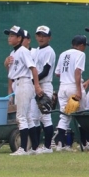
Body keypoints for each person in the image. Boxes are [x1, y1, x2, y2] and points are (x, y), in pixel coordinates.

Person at [4, 25, 43, 156]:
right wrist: (6, 64)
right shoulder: (13, 53)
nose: (9, 38)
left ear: (19, 38)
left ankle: (23, 149)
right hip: (18, 83)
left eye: (12, 35)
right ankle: (35, 148)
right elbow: (11, 73)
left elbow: (33, 69)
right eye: (9, 35)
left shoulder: (23, 51)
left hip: (24, 83)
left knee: (21, 117)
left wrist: (37, 86)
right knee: (28, 117)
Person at [53, 35, 89, 151]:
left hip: (63, 87)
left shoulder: (63, 54)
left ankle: (60, 144)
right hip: (74, 87)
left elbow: (57, 73)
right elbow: (77, 72)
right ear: (81, 45)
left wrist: (66, 74)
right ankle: (84, 143)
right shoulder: (80, 54)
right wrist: (78, 90)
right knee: (82, 115)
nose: (85, 48)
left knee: (64, 116)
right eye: (85, 46)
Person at [29, 25, 56, 153]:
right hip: (36, 85)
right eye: (39, 35)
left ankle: (47, 147)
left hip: (45, 85)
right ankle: (35, 147)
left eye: (44, 36)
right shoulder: (36, 51)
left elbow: (45, 71)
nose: (41, 38)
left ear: (49, 38)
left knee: (45, 117)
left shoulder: (49, 51)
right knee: (34, 117)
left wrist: (33, 81)